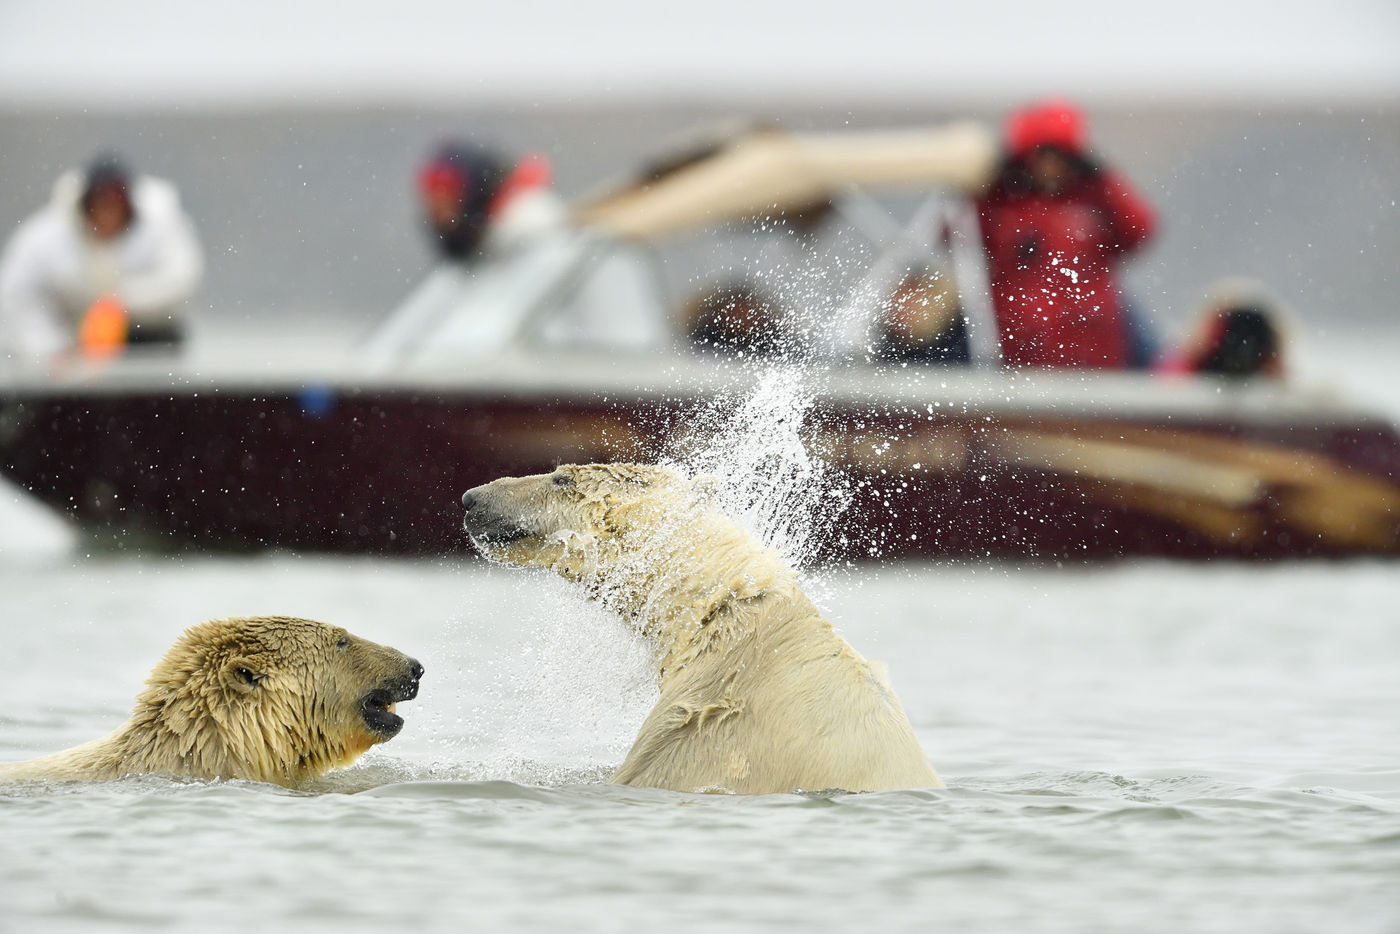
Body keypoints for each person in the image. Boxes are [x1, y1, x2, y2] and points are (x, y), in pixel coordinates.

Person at [973, 100, 1156, 368]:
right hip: (1018, 358)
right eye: (1040, 157)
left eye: (1058, 156)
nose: (1049, 167)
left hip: (1092, 354)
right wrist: (981, 184)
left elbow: (1140, 230)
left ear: (1073, 158)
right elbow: (954, 236)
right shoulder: (1002, 203)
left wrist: (1105, 179)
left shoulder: (1093, 199)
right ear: (1024, 160)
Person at [0, 154, 204, 367]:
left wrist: (118, 303)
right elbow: (19, 296)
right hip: (69, 343)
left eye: (115, 206)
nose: (108, 215)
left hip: (147, 341)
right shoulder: (46, 238)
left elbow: (182, 280)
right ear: (85, 206)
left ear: (129, 207)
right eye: (101, 205)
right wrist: (51, 348)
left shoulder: (160, 227)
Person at [415, 140, 567, 261]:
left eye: (446, 199)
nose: (440, 214)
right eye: (432, 203)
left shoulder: (524, 220)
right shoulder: (480, 242)